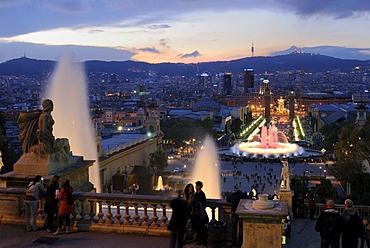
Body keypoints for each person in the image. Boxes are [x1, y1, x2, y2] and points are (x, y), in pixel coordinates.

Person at [191, 181, 208, 246]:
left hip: (199, 214)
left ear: (199, 186)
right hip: (197, 214)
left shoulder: (200, 194)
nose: (195, 187)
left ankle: (202, 240)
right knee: (199, 227)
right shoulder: (198, 194)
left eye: (196, 186)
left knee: (201, 228)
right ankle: (200, 240)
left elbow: (202, 204)